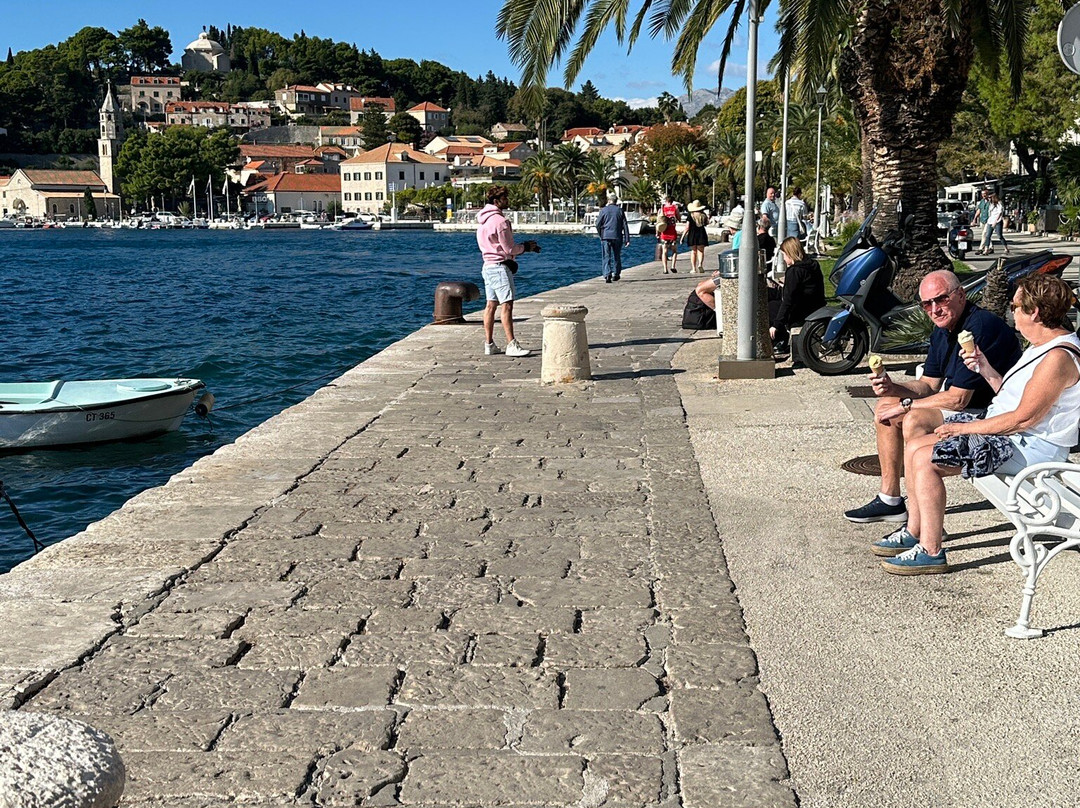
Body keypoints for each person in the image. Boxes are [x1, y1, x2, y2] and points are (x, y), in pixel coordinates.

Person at [877, 275, 1080, 574]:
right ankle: (917, 530)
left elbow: (1024, 418)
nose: (1012, 313)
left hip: (1031, 447)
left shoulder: (1058, 357)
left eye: (1015, 306)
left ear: (1034, 312)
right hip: (1017, 437)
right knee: (918, 444)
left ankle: (931, 551)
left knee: (925, 457)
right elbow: (1013, 399)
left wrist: (964, 428)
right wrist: (985, 369)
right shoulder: (1042, 346)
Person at [844, 269, 1022, 523]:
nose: (934, 309)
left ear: (960, 294)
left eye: (941, 299)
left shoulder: (980, 327)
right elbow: (928, 384)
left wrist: (906, 407)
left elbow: (958, 399)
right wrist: (892, 387)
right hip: (968, 408)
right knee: (886, 405)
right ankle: (890, 500)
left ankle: (921, 522)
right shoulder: (943, 330)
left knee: (915, 420)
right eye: (927, 304)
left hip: (992, 414)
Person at [476, 184, 539, 357]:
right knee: (507, 305)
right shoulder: (501, 222)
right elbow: (509, 249)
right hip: (500, 268)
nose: (507, 201)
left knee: (490, 305)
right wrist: (526, 247)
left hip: (487, 266)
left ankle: (489, 344)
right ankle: (512, 344)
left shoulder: (482, 221)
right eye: (505, 198)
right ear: (497, 201)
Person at [694, 218, 775, 312]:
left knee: (700, 289)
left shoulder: (753, 240)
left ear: (758, 226)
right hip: (759, 272)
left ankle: (722, 313)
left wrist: (721, 271)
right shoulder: (771, 240)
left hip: (739, 274)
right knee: (702, 284)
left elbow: (737, 258)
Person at [768, 237, 825, 353]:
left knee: (768, 309)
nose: (783, 259)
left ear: (790, 254)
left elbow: (788, 300)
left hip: (801, 311)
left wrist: (776, 325)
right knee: (768, 294)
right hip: (814, 305)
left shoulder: (794, 271)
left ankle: (780, 340)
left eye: (784, 255)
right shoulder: (812, 265)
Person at [595, 193, 631, 283]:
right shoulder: (620, 211)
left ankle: (607, 274)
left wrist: (601, 234)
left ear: (609, 201)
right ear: (616, 201)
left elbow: (598, 224)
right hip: (617, 236)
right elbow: (625, 225)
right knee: (617, 256)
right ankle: (616, 274)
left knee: (606, 256)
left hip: (606, 236)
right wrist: (627, 239)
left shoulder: (604, 210)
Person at [681, 199, 709, 273]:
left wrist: (682, 237)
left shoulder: (691, 215)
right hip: (701, 233)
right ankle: (700, 264)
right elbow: (706, 223)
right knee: (701, 251)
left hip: (692, 234)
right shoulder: (703, 215)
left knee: (693, 251)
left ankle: (693, 268)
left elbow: (687, 227)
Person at [658, 195, 679, 273]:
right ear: (672, 201)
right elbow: (679, 218)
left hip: (664, 232)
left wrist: (657, 232)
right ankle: (673, 266)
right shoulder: (675, 208)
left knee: (665, 251)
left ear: (666, 200)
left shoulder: (662, 208)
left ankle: (665, 269)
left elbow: (659, 221)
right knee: (674, 251)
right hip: (672, 232)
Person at [974, 188, 992, 254]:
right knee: (987, 235)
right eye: (982, 194)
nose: (984, 195)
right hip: (983, 220)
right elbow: (979, 210)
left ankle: (981, 248)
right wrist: (975, 218)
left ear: (987, 194)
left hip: (989, 220)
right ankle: (990, 247)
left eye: (985, 194)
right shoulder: (982, 201)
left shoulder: (991, 202)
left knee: (984, 234)